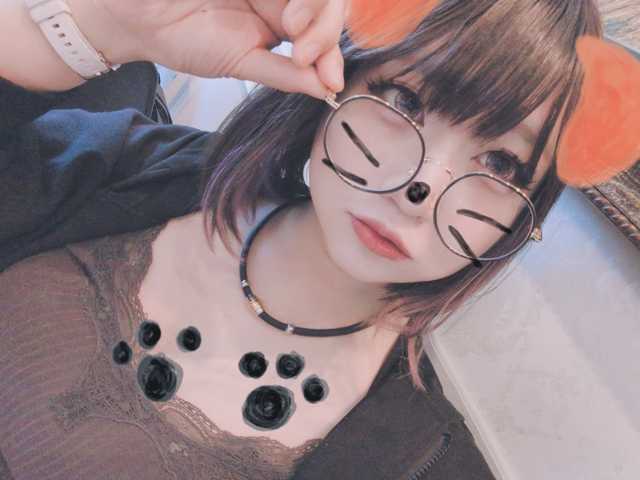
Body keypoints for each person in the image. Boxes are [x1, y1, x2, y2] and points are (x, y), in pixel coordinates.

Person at [0, 0, 605, 479]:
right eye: (406, 100)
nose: (418, 188)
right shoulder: (134, 164)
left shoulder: (418, 459)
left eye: (501, 164)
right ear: (341, 80)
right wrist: (97, 28)